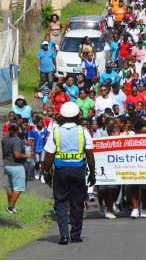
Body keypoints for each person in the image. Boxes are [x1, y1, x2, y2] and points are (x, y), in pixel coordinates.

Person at [43, 102, 96, 245]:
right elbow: (90, 154)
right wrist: (92, 172)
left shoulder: (55, 131)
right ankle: (76, 235)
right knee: (77, 202)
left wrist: (45, 171)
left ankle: (64, 235)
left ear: (62, 116)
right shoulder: (83, 131)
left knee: (60, 202)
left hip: (60, 171)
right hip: (78, 170)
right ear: (77, 116)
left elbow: (49, 155)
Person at [2, 123, 30, 213]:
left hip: (7, 165)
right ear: (18, 130)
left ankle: (10, 206)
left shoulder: (4, 138)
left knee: (11, 186)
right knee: (19, 188)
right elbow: (17, 155)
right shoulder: (17, 140)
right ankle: (10, 207)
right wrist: (27, 155)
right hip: (16, 166)